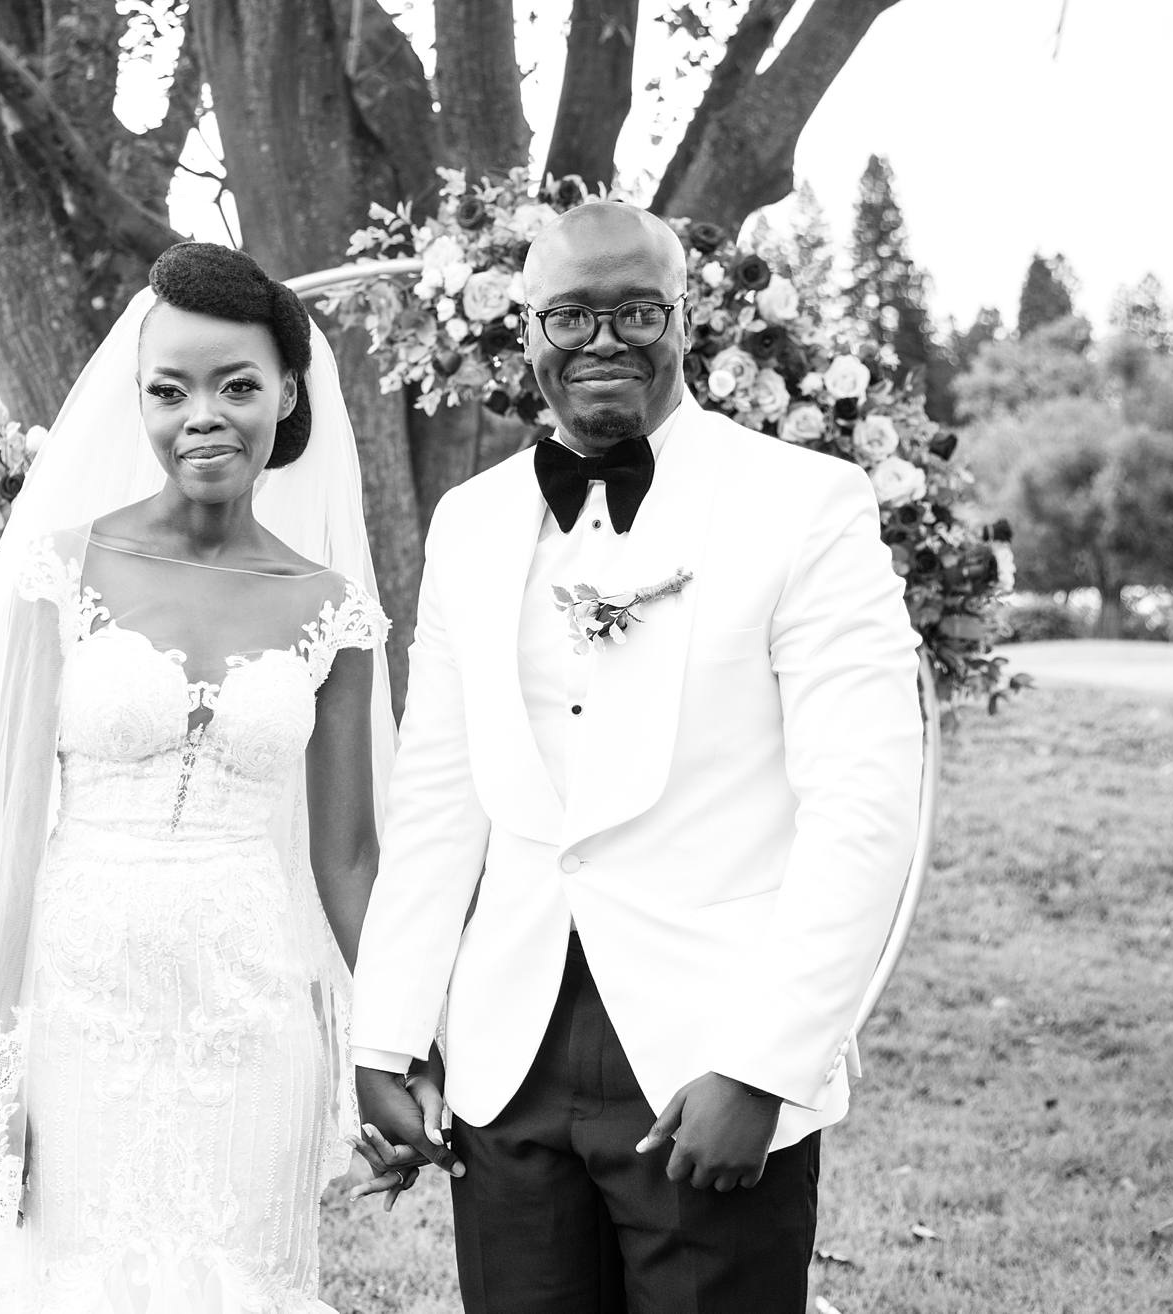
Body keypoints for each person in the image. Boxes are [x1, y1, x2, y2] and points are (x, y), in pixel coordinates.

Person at [349, 201, 925, 1313]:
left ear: (686, 318)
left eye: (636, 310)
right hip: (506, 1069)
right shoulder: (470, 521)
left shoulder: (806, 505)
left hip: (708, 1069)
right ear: (527, 330)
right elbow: (437, 797)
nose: (602, 339)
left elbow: (862, 810)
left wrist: (764, 1065)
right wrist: (389, 1029)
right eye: (570, 315)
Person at [0, 243, 398, 1314]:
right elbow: (10, 834)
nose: (204, 416)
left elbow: (349, 859)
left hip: (252, 1014)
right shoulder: (61, 568)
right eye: (169, 390)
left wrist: (397, 1039)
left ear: (288, 393)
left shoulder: (333, 608)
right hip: (78, 1009)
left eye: (237, 386)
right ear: (136, 400)